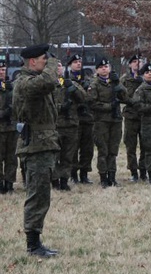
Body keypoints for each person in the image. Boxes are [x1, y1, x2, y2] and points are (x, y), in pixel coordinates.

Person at [14, 44, 59, 257]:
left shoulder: (36, 82)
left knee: (42, 195)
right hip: (34, 148)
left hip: (43, 146)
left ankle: (36, 241)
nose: (47, 62)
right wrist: (53, 64)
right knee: (36, 196)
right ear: (32, 61)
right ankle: (32, 245)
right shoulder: (24, 83)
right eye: (44, 59)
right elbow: (48, 81)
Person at [88, 58, 128, 187]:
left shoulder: (114, 83)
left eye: (106, 66)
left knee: (113, 150)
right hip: (101, 121)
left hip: (115, 120)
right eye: (101, 67)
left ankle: (112, 176)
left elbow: (125, 97)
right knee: (103, 150)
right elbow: (92, 103)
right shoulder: (94, 84)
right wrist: (108, 106)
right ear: (97, 70)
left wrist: (118, 85)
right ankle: (103, 177)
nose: (104, 69)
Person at [52, 60, 85, 191]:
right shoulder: (48, 85)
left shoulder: (71, 83)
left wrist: (72, 87)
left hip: (71, 125)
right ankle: (54, 180)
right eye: (56, 66)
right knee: (54, 155)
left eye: (60, 66)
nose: (58, 68)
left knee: (68, 155)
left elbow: (83, 98)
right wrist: (60, 108)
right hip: (55, 125)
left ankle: (64, 180)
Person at [67, 54, 94, 184]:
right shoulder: (67, 80)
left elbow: (92, 97)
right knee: (73, 148)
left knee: (87, 149)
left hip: (87, 118)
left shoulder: (87, 78)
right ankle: (73, 174)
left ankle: (84, 173)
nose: (78, 64)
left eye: (80, 62)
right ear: (70, 65)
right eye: (75, 62)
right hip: (74, 118)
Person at [122, 54, 146, 182]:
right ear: (130, 64)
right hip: (131, 116)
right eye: (135, 61)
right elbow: (121, 96)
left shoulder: (147, 78)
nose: (137, 64)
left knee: (145, 145)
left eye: (140, 61)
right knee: (130, 145)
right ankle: (133, 171)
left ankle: (143, 171)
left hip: (144, 116)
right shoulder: (125, 80)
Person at [0, 61, 16, 194]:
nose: (2, 72)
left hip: (11, 127)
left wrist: (12, 91)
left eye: (3, 69)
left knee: (11, 157)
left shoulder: (11, 86)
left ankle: (9, 182)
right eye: (0, 70)